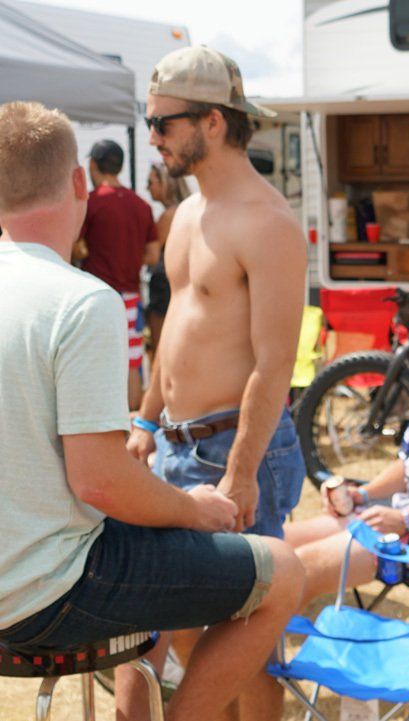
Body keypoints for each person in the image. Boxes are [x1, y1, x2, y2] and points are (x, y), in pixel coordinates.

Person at [0, 100, 304, 721]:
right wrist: (194, 508)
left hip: (27, 576)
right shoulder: (81, 301)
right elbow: (100, 481)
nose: (156, 135)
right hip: (49, 589)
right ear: (80, 181)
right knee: (286, 573)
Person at [122, 46, 308, 721]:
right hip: (175, 445)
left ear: (214, 124)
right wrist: (145, 420)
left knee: (248, 634)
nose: (152, 137)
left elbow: (275, 363)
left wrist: (241, 471)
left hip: (233, 448)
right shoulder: (188, 215)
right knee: (193, 637)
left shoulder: (269, 224)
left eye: (162, 123)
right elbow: (174, 329)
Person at [285, 275, 409, 607]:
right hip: (404, 522)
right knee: (277, 546)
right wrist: (360, 493)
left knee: (300, 568)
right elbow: (408, 466)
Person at [80, 138, 161, 409]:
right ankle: (130, 433)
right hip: (131, 297)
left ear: (93, 165)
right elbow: (152, 255)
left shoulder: (90, 204)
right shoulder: (141, 206)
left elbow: (75, 247)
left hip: (98, 297)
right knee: (132, 362)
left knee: (97, 361)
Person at [144, 161, 190, 363]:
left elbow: (150, 254)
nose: (148, 188)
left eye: (151, 182)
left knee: (160, 350)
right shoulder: (188, 210)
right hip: (180, 286)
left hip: (163, 286)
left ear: (165, 183)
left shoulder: (168, 216)